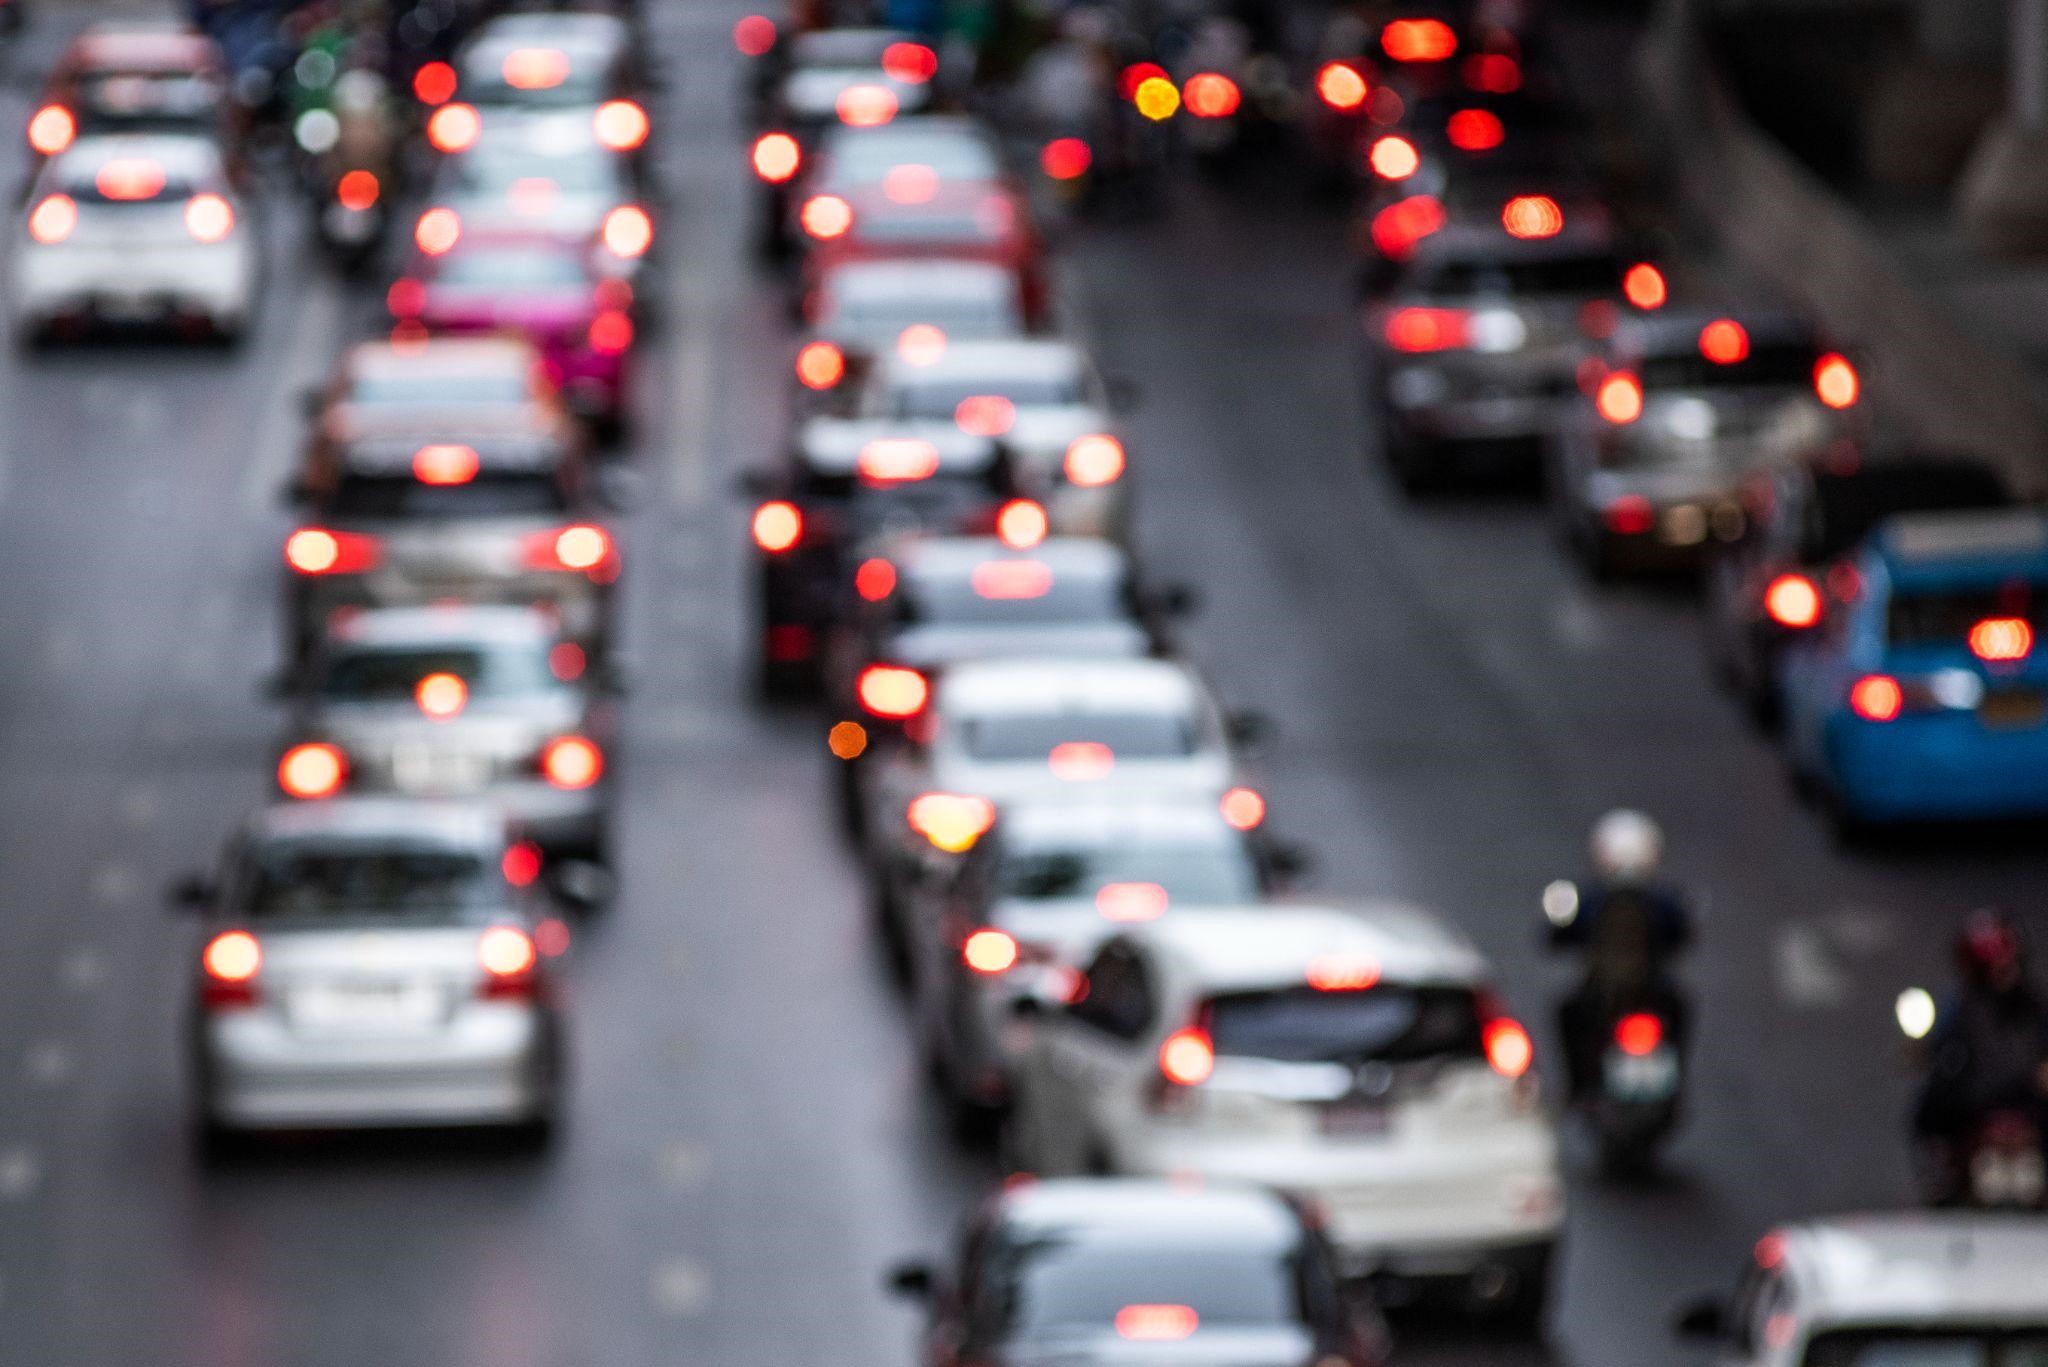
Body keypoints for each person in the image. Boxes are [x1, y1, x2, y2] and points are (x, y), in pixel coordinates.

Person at [1549, 811, 1693, 1102]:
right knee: (1681, 1009)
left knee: (1567, 1012)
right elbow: (1682, 934)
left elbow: (1558, 935)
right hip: (1650, 991)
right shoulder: (1661, 899)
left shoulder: (1592, 899)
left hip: (1603, 992)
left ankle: (1577, 1086)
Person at [1910, 909, 2048, 1203]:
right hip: (1979, 1105)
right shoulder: (1962, 1008)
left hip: (2026, 1104)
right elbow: (1938, 1050)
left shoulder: (2034, 1006)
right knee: (1928, 1110)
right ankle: (1941, 1176)